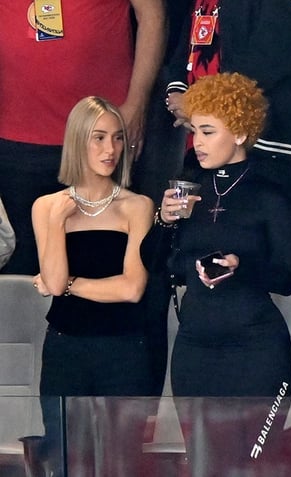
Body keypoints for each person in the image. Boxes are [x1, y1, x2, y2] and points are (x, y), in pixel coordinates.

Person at [148, 72, 291, 473]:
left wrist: (240, 267)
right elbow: (158, 264)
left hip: (257, 351)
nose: (197, 142)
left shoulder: (270, 195)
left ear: (238, 133)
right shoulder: (187, 190)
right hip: (196, 349)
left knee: (252, 467)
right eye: (195, 130)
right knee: (203, 466)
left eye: (208, 131)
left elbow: (287, 277)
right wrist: (163, 221)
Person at [163, 0, 291, 287]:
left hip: (281, 146)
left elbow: (279, 48)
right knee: (198, 259)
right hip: (214, 139)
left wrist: (203, 102)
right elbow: (196, 37)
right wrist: (184, 95)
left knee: (284, 273)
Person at [31, 96, 156, 477]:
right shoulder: (47, 206)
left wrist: (69, 284)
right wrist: (57, 224)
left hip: (125, 349)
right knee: (68, 462)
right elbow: (52, 282)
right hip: (66, 349)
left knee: (122, 463)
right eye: (99, 138)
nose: (110, 149)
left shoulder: (138, 206)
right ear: (78, 141)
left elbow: (132, 289)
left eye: (118, 138)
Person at [0, 0, 165, 275]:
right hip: (15, 136)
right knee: (24, 263)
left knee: (100, 259)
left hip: (99, 136)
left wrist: (137, 103)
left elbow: (153, 17)